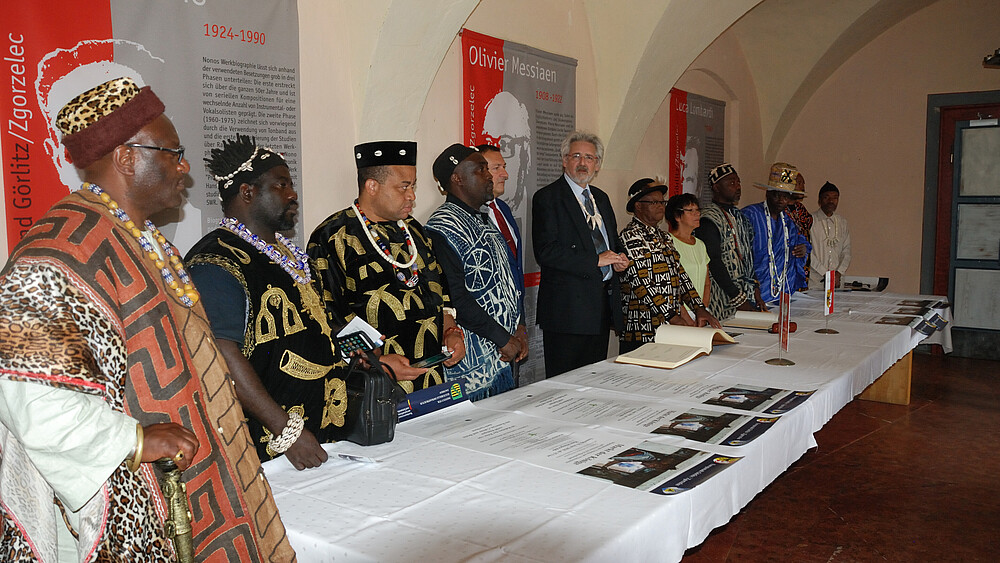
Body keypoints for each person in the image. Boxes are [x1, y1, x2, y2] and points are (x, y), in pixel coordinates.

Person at [0, 77, 293, 560]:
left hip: (192, 485)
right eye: (173, 153)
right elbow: (31, 397)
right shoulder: (55, 252)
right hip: (130, 506)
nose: (185, 168)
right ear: (126, 157)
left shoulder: (144, 238)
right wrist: (132, 439)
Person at [186, 134, 347, 470]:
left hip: (322, 427)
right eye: (281, 185)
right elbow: (221, 353)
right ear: (248, 192)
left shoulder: (284, 253)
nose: (292, 194)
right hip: (271, 448)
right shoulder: (216, 261)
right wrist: (286, 429)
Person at [308, 141, 465, 393]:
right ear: (372, 186)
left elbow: (440, 290)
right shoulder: (332, 237)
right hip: (373, 387)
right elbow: (326, 318)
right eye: (404, 187)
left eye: (412, 186)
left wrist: (450, 330)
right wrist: (377, 363)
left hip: (429, 380)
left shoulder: (414, 230)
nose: (412, 195)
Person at [425, 144, 527, 400]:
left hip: (502, 356)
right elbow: (455, 297)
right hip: (473, 372)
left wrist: (518, 327)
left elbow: (506, 282)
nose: (490, 175)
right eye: (481, 169)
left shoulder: (484, 219)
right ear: (457, 178)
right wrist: (503, 338)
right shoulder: (442, 227)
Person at [532, 131, 629, 377]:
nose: (583, 163)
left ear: (597, 164)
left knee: (594, 382)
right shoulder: (548, 198)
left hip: (600, 308)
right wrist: (596, 260)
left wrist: (619, 258)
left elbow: (612, 241)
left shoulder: (602, 198)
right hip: (567, 312)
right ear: (564, 160)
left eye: (589, 157)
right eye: (576, 156)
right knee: (565, 384)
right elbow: (546, 252)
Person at [619, 180, 720, 353]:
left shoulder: (664, 237)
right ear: (638, 206)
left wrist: (698, 307)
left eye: (662, 202)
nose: (660, 206)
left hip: (669, 327)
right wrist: (672, 316)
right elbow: (643, 282)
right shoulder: (631, 236)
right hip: (643, 328)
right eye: (654, 202)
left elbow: (680, 274)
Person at [696, 163, 767, 319]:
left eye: (738, 182)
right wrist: (737, 297)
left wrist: (755, 290)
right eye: (731, 183)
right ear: (716, 187)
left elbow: (748, 257)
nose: (738, 187)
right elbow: (714, 261)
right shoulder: (708, 218)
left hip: (745, 295)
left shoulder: (740, 217)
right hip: (722, 296)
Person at [743, 163, 811, 304]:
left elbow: (801, 241)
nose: (781, 200)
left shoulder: (788, 222)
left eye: (785, 196)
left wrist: (803, 248)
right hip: (754, 296)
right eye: (776, 195)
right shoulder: (750, 215)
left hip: (782, 295)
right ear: (767, 193)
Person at [665, 192, 712, 323]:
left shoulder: (700, 244)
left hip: (700, 312)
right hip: (678, 315)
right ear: (676, 216)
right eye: (690, 210)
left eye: (697, 210)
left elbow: (706, 283)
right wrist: (687, 318)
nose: (697, 214)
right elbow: (672, 288)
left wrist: (703, 310)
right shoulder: (668, 243)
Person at [809, 181, 851, 288]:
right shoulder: (809, 220)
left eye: (835, 198)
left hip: (837, 282)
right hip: (816, 281)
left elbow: (846, 251)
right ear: (819, 200)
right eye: (826, 197)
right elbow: (807, 252)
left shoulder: (842, 222)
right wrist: (825, 273)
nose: (831, 201)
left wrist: (838, 273)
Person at [785, 170, 813, 290]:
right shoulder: (780, 210)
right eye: (799, 183)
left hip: (803, 264)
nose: (803, 187)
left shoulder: (800, 209)